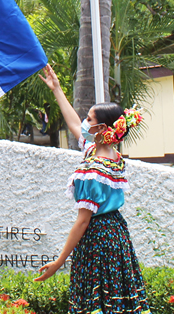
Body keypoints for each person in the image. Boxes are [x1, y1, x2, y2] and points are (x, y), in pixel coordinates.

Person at [36, 65, 152, 313]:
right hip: (117, 236)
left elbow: (83, 222)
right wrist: (57, 89)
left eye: (89, 119)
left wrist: (59, 261)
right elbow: (75, 125)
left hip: (97, 241)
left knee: (97, 300)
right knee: (119, 298)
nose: (84, 122)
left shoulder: (94, 168)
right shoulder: (111, 155)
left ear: (100, 130)